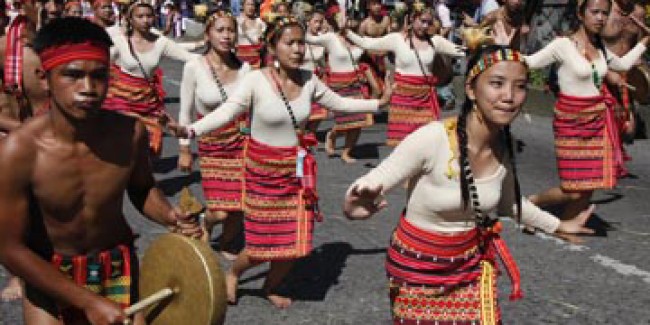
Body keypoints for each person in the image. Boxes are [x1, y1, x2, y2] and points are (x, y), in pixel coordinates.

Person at [343, 43, 595, 325]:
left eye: (520, 86)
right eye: (497, 84)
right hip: (418, 268)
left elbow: (509, 202)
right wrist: (353, 204)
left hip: (471, 264)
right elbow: (375, 179)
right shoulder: (433, 138)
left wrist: (558, 226)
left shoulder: (505, 145)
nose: (509, 97)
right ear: (472, 90)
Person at [170, 15, 391, 308]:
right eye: (290, 43)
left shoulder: (310, 80)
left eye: (301, 43)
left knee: (295, 244)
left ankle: (271, 286)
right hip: (261, 172)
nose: (298, 49)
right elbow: (226, 113)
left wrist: (379, 103)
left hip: (296, 174)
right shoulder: (255, 80)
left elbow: (341, 103)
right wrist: (188, 132)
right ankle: (234, 274)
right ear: (274, 46)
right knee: (262, 244)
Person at [0, 17, 201, 325]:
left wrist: (170, 216)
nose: (88, 89)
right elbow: (8, 247)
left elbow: (142, 188)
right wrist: (86, 301)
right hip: (50, 272)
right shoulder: (18, 151)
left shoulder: (129, 132)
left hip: (116, 266)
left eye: (99, 76)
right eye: (73, 75)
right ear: (44, 78)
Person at [513, 0, 649, 223]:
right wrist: (504, 48)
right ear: (580, 13)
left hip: (597, 121)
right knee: (573, 189)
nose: (600, 18)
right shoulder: (563, 46)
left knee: (589, 185)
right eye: (594, 12)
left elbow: (623, 65)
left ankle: (565, 226)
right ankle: (532, 203)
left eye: (604, 13)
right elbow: (528, 63)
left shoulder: (601, 48)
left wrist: (645, 40)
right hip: (570, 123)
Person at [178, 9, 250, 259]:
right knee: (220, 210)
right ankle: (207, 223)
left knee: (241, 204)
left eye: (231, 30)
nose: (226, 36)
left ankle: (228, 242)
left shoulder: (246, 69)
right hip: (211, 145)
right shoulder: (194, 66)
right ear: (208, 34)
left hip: (241, 143)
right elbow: (185, 111)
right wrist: (185, 148)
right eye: (220, 30)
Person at [346, 1, 465, 146]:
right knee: (403, 146)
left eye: (429, 22)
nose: (426, 26)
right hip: (403, 101)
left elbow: (460, 51)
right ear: (411, 18)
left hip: (425, 100)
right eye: (422, 21)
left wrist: (477, 41)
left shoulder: (435, 41)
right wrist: (346, 32)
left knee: (425, 145)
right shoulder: (397, 39)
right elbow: (368, 44)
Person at [103, 1, 201, 157]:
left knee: (148, 149)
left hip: (148, 103)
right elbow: (101, 63)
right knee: (124, 148)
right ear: (130, 19)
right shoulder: (120, 41)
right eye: (140, 16)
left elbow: (188, 57)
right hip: (121, 102)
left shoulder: (160, 42)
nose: (145, 20)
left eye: (149, 16)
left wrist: (216, 58)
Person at [306, 11, 382, 163]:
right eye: (342, 19)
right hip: (338, 85)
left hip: (355, 84)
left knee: (358, 122)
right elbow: (308, 38)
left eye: (348, 19)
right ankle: (332, 135)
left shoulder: (359, 41)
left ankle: (346, 152)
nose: (346, 22)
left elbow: (378, 48)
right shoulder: (330, 38)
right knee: (344, 120)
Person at [601, 0, 647, 141]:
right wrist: (606, 72)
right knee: (599, 128)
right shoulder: (602, 8)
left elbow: (639, 46)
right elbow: (585, 43)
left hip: (624, 78)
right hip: (602, 72)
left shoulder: (639, 13)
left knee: (627, 130)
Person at [301, 9, 328, 133]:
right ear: (308, 22)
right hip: (300, 81)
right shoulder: (300, 39)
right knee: (302, 114)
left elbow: (324, 62)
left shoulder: (323, 40)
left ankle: (310, 136)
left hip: (316, 80)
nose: (318, 25)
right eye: (315, 21)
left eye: (320, 22)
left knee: (318, 114)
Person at [236, 0, 266, 68]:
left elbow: (262, 42)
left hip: (257, 60)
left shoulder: (260, 22)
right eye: (248, 4)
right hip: (240, 60)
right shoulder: (237, 21)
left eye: (252, 5)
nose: (250, 7)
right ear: (243, 6)